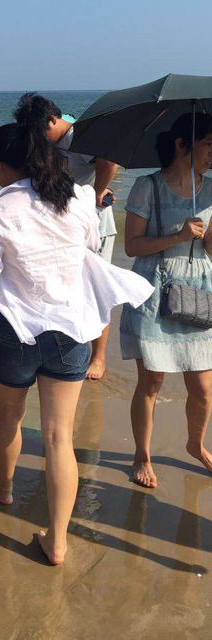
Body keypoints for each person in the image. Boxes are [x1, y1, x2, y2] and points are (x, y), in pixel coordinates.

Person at [0, 123, 152, 565]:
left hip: (14, 330)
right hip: (71, 331)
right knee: (58, 437)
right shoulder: (78, 198)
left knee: (9, 419)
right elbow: (90, 246)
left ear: (1, 165)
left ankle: (4, 488)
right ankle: (58, 541)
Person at [120, 113, 212, 489]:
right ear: (181, 145)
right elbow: (132, 246)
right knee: (151, 382)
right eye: (209, 145)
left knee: (203, 388)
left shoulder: (211, 190)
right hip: (153, 289)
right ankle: (142, 455)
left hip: (199, 290)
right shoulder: (148, 187)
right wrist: (178, 235)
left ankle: (195, 444)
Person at [14, 93, 119, 381]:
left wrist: (98, 192)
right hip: (65, 224)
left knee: (96, 290)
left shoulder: (80, 135)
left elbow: (109, 161)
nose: (36, 136)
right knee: (67, 288)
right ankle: (67, 346)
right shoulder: (51, 142)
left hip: (94, 223)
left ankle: (98, 356)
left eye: (38, 130)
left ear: (52, 120)